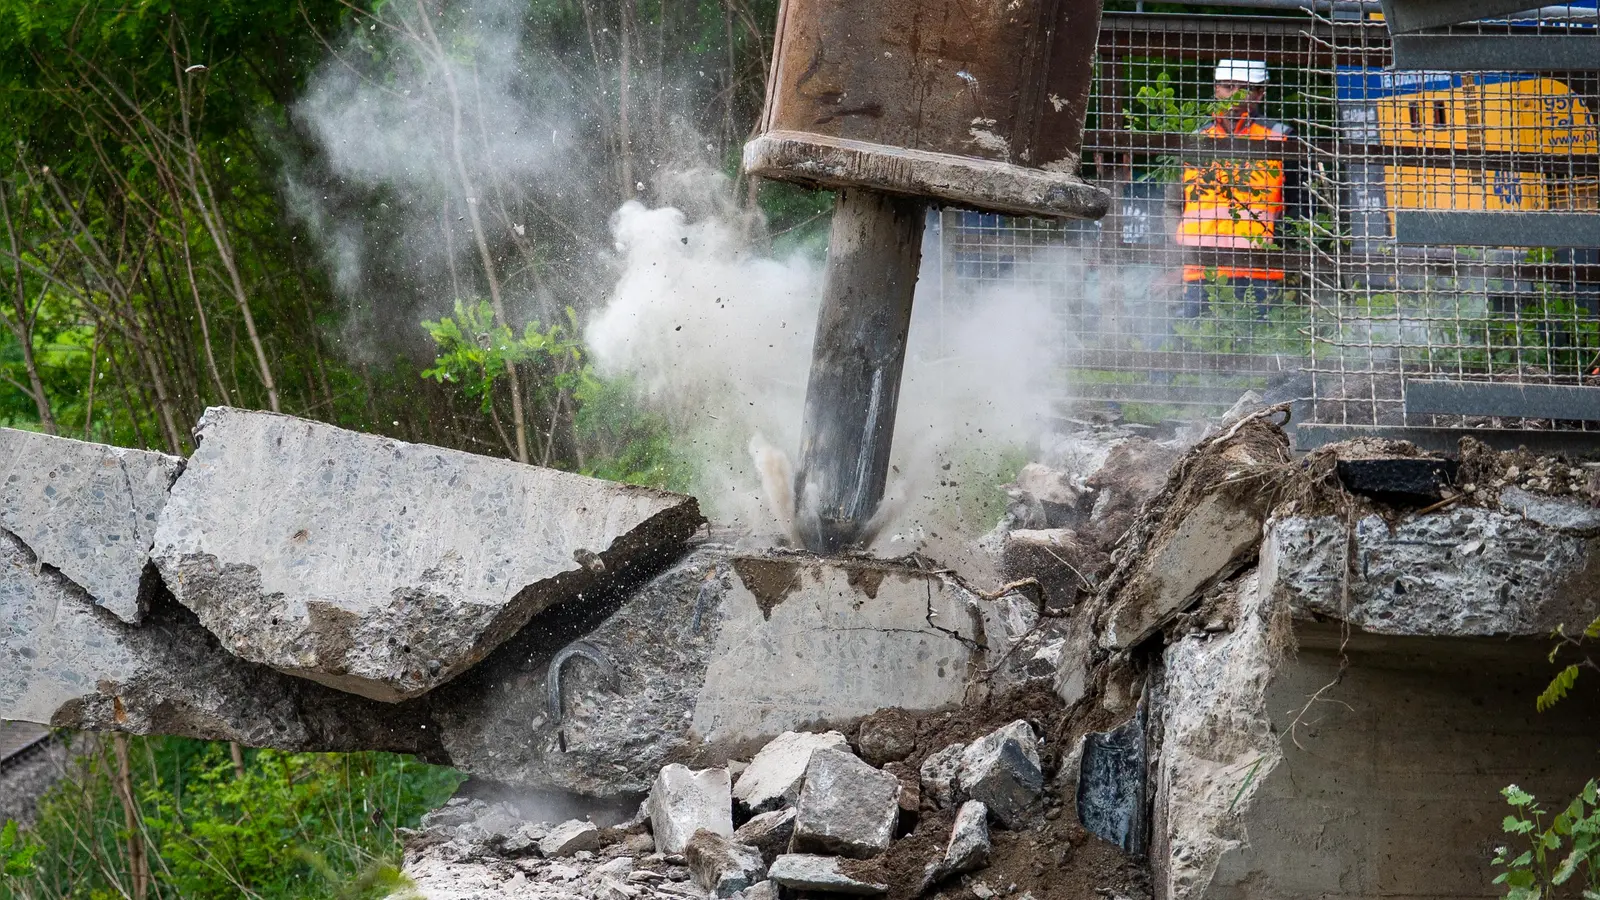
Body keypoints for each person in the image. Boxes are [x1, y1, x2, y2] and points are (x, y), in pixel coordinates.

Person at [1174, 59, 1305, 321]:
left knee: (1257, 340)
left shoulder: (1281, 138)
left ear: (1260, 93)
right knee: (1194, 341)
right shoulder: (1195, 140)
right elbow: (1174, 204)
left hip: (1259, 270)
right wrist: (1177, 251)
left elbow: (1300, 205)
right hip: (1201, 269)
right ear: (1216, 89)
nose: (1234, 95)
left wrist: (1281, 246)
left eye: (1244, 88)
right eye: (1228, 86)